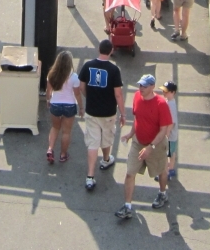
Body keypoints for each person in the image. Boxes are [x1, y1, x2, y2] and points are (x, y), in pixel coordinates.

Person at [115, 75, 173, 220]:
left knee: (162, 171)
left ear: (152, 87)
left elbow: (164, 130)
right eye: (140, 85)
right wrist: (130, 134)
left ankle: (162, 193)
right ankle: (127, 206)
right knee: (130, 173)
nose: (141, 88)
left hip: (157, 145)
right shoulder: (136, 97)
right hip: (138, 142)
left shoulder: (161, 104)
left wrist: (150, 147)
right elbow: (137, 119)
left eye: (144, 86)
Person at [79, 39, 125, 191]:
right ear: (111, 51)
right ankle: (106, 160)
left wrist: (89, 97)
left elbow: (82, 87)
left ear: (99, 49)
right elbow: (118, 94)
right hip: (108, 112)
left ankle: (90, 177)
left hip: (92, 111)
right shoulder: (113, 70)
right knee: (106, 138)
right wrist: (123, 113)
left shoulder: (87, 66)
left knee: (93, 143)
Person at [45, 50, 82, 165]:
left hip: (55, 104)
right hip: (69, 106)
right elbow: (77, 94)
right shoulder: (74, 77)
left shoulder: (51, 74)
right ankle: (63, 155)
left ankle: (50, 149)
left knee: (55, 127)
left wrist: (48, 100)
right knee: (66, 132)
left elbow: (48, 91)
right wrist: (81, 107)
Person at [161, 82, 179, 179]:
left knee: (170, 153)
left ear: (173, 92)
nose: (164, 92)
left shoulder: (170, 106)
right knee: (171, 152)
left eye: (166, 91)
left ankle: (169, 171)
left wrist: (166, 134)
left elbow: (171, 122)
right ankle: (170, 168)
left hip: (170, 135)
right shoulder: (169, 102)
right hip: (172, 135)